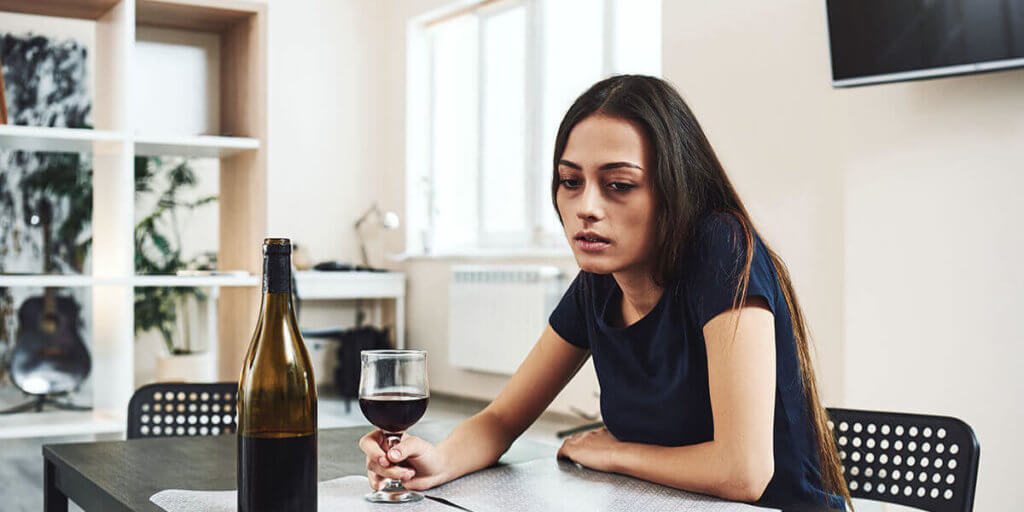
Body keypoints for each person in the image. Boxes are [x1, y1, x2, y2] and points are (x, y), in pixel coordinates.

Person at [359, 75, 850, 511]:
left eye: (618, 184)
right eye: (570, 181)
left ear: (673, 190)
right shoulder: (598, 283)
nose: (586, 207)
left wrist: (614, 452)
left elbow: (743, 472)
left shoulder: (721, 248)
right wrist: (436, 461)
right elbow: (503, 418)